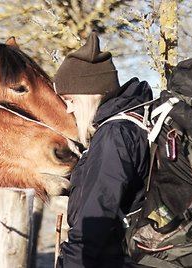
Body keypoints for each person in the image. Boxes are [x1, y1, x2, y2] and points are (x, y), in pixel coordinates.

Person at [53, 32, 153, 267]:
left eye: (70, 99)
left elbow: (94, 222)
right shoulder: (131, 124)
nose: (68, 109)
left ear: (88, 94)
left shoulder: (114, 134)